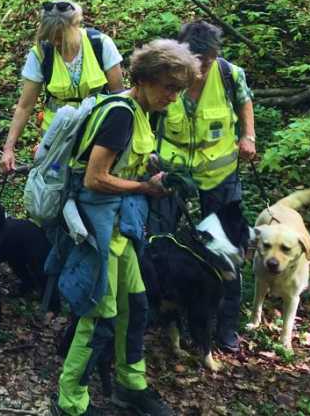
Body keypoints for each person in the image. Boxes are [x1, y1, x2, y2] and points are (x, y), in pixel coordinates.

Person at [52, 39, 199, 416]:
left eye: (178, 90)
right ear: (146, 78)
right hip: (99, 230)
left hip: (123, 230)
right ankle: (71, 403)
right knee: (97, 314)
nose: (173, 96)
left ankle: (130, 386)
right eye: (169, 87)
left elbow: (130, 159)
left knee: (134, 307)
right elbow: (94, 178)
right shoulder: (120, 114)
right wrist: (144, 188)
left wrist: (157, 170)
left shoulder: (141, 112)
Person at [149, 20, 256, 352]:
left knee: (229, 253)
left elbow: (245, 103)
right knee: (160, 242)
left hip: (220, 176)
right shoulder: (165, 76)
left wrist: (247, 136)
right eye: (195, 62)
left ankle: (224, 327)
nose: (199, 70)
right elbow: (148, 115)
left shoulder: (229, 75)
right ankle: (163, 317)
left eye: (206, 62)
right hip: (172, 174)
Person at [0, 0, 124, 175]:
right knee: (55, 182)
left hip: (96, 138)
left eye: (60, 36)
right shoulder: (41, 53)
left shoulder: (100, 44)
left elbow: (120, 97)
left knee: (93, 185)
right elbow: (24, 106)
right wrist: (8, 148)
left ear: (76, 25)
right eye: (50, 37)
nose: (55, 42)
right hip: (56, 141)